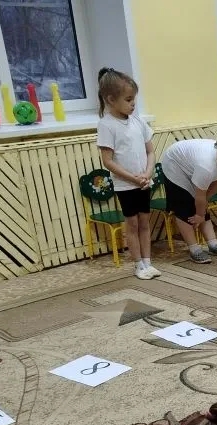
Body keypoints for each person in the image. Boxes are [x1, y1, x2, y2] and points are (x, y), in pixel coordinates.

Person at [95, 68, 157, 279]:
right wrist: (133, 178)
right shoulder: (106, 125)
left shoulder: (138, 121)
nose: (133, 104)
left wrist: (147, 173)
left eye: (134, 99)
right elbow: (108, 161)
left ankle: (148, 262)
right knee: (132, 224)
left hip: (144, 182)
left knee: (145, 222)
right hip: (126, 185)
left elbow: (150, 151)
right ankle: (138, 264)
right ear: (111, 100)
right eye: (128, 100)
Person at [159, 132, 217, 263]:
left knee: (201, 206)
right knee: (183, 209)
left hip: (192, 165)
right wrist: (199, 214)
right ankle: (194, 249)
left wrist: (201, 209)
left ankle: (213, 244)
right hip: (175, 165)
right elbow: (200, 195)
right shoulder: (206, 166)